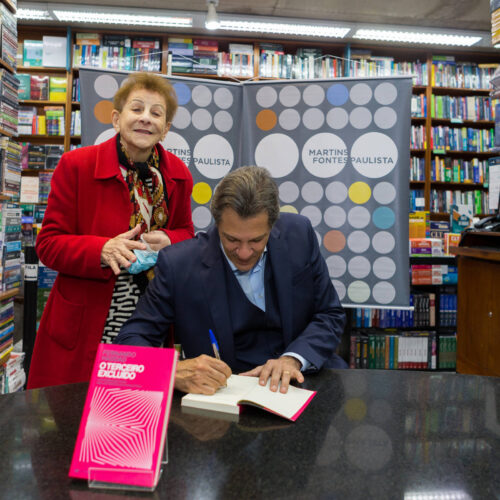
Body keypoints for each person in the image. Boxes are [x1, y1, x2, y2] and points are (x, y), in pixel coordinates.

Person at [27, 72, 194, 390]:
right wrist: (99, 250)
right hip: (88, 316)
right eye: (137, 109)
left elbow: (187, 232)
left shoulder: (178, 175)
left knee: (135, 411)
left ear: (166, 128)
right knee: (73, 417)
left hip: (151, 312)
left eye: (156, 113)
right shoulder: (76, 165)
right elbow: (48, 243)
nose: (146, 118)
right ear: (117, 119)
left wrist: (170, 240)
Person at [116, 166, 346, 394]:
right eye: (231, 239)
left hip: (304, 380)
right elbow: (130, 340)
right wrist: (171, 371)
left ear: (272, 225)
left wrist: (294, 359)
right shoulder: (179, 264)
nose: (244, 253)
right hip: (223, 398)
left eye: (257, 240)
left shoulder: (299, 234)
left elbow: (329, 314)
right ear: (217, 223)